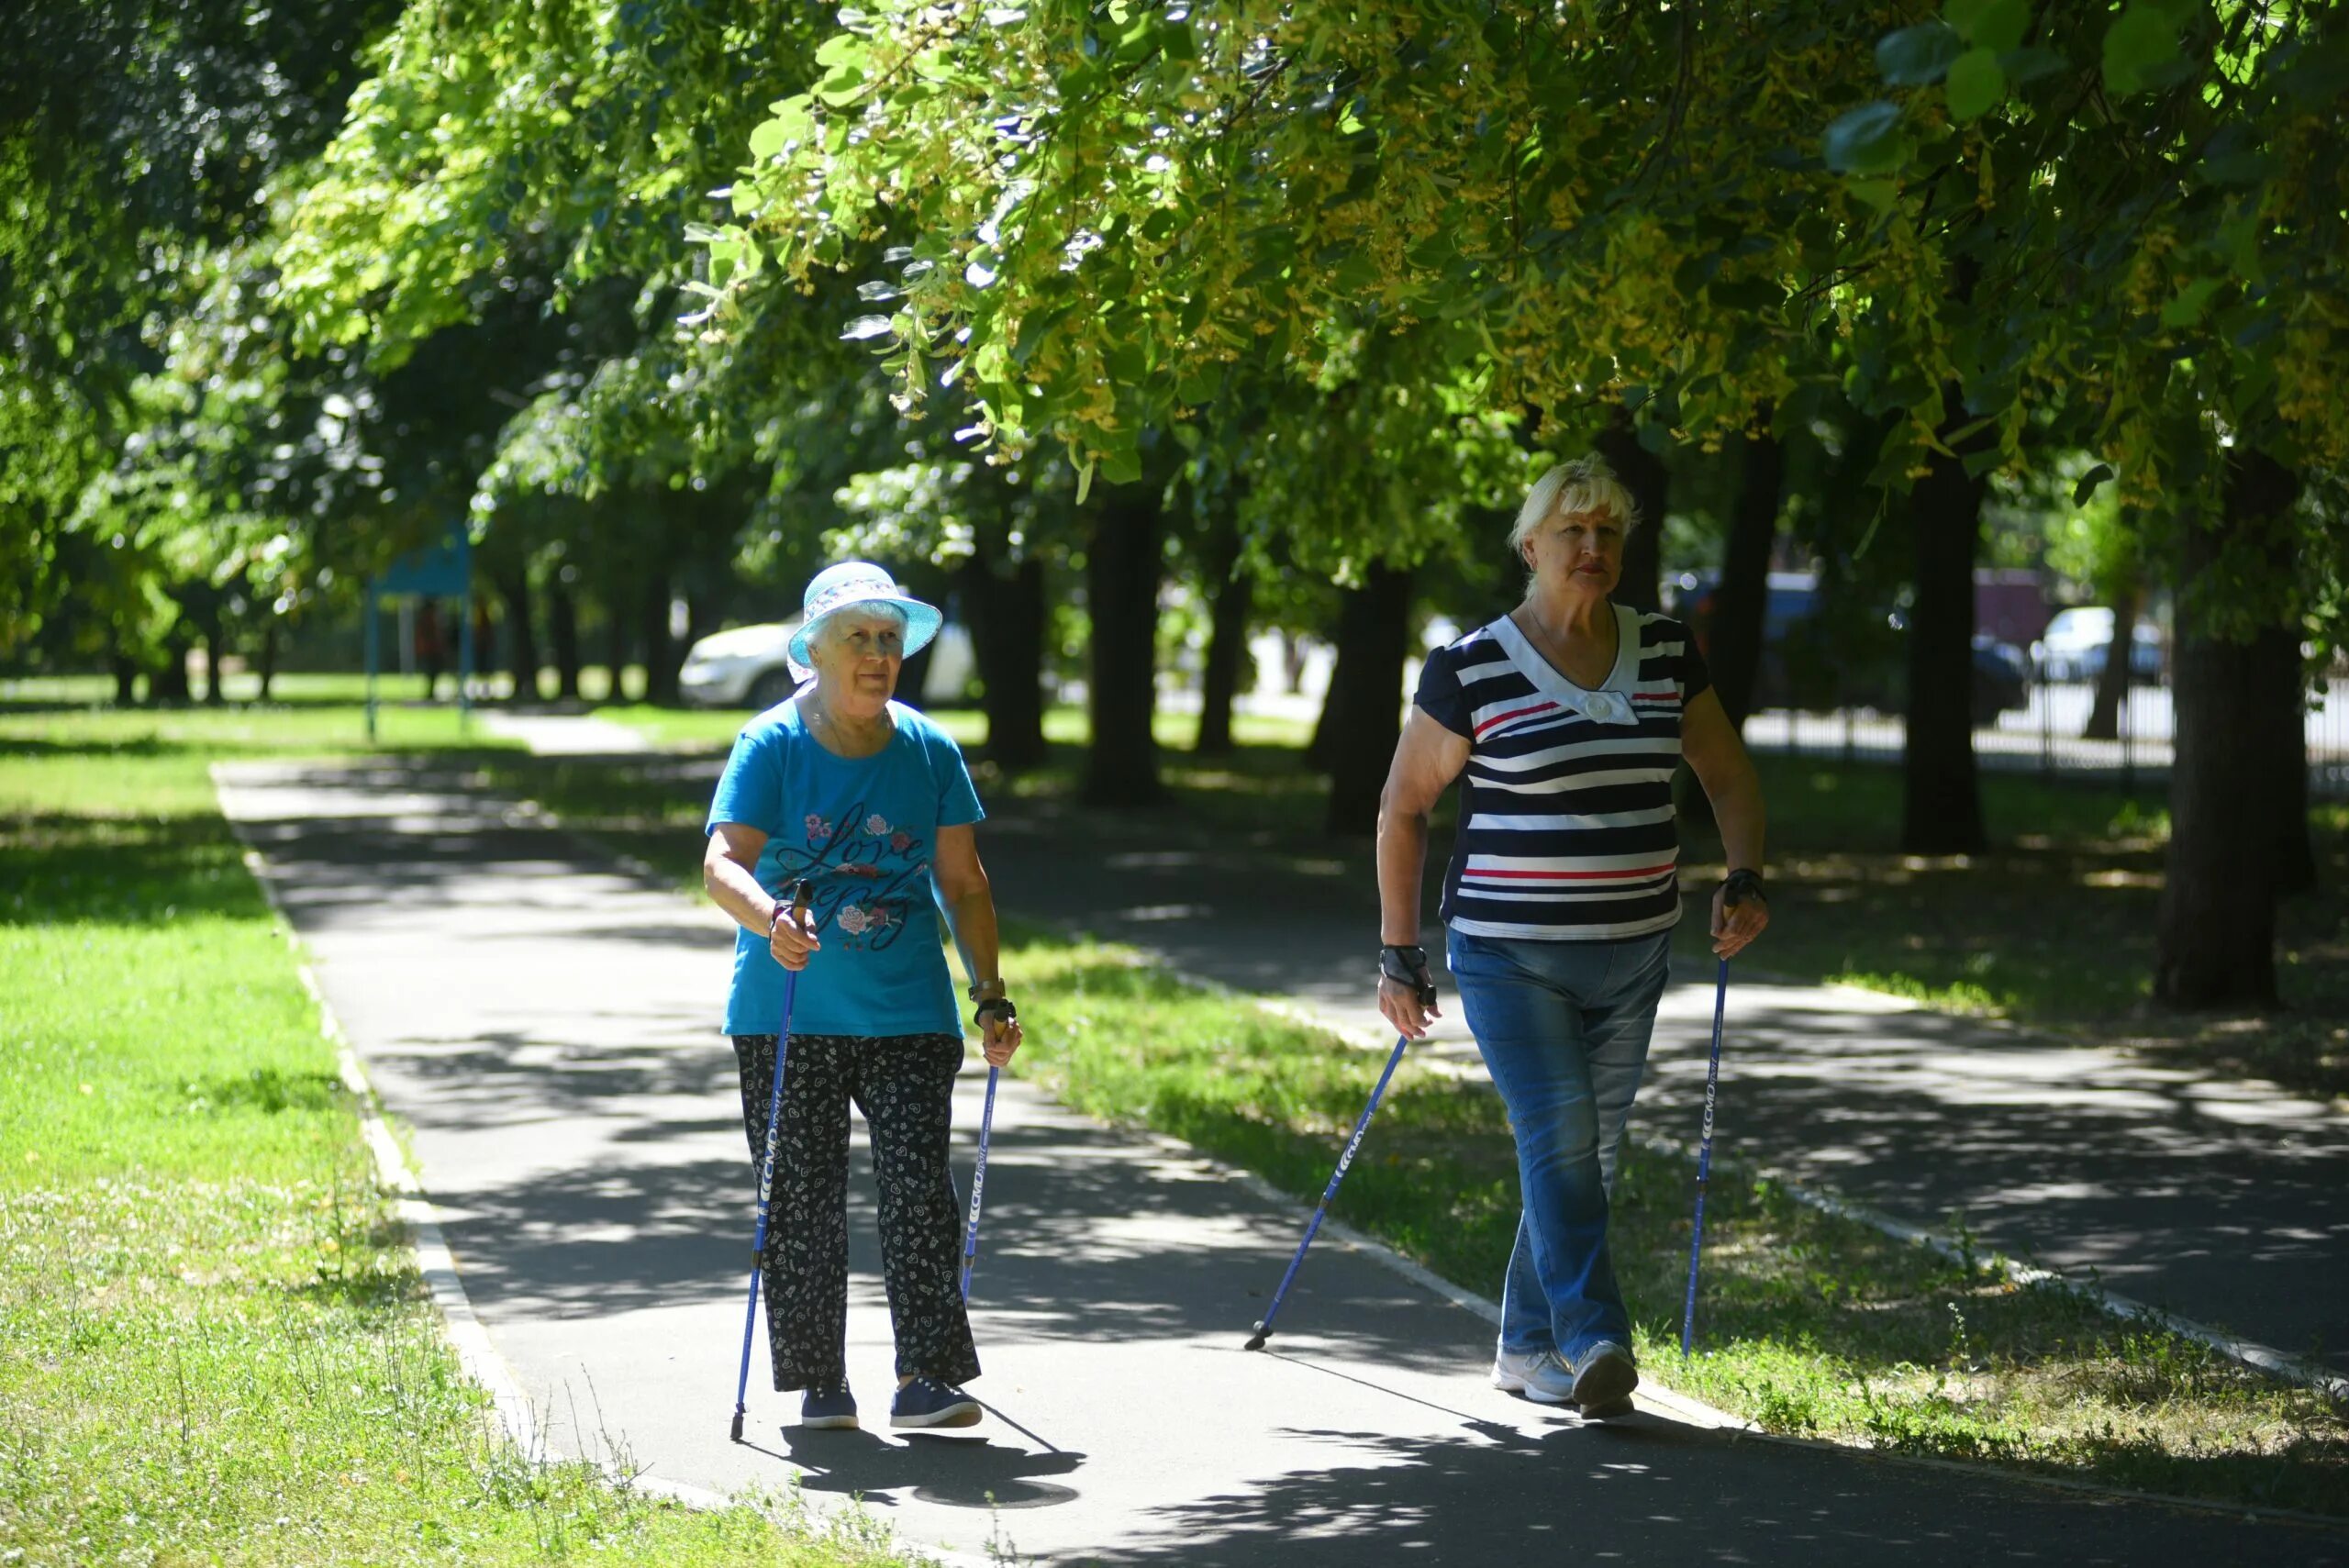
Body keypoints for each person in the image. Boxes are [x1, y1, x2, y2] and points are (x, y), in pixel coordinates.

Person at [1373, 456, 1769, 1418]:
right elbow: (1403, 805)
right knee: (1558, 1142)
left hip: (1635, 949)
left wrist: (1746, 875)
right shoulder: (1470, 665)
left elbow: (1725, 774)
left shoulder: (1666, 651)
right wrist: (1399, 950)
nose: (1592, 550)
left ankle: (1523, 1345)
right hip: (1509, 953)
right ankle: (1595, 1334)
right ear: (1530, 544)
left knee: (1585, 1155)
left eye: (1607, 534)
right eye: (1572, 532)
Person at [702, 561, 1023, 1433]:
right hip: (787, 1009)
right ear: (814, 651)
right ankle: (820, 1387)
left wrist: (990, 994)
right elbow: (720, 862)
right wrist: (771, 916)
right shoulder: (770, 743)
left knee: (920, 1192)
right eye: (860, 639)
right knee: (802, 1201)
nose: (879, 656)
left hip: (909, 1009)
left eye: (890, 640)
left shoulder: (928, 750)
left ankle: (927, 1377)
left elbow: (963, 882)